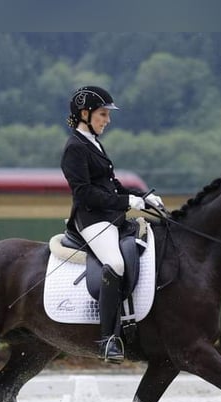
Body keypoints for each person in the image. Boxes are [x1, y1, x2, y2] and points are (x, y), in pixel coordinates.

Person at [60, 85, 164, 363]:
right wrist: (126, 202)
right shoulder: (74, 147)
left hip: (108, 216)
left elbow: (110, 184)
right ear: (85, 114)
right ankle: (108, 339)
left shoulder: (94, 143)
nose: (108, 120)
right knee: (115, 264)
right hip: (90, 219)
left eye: (107, 114)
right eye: (103, 114)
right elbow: (84, 193)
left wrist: (143, 197)